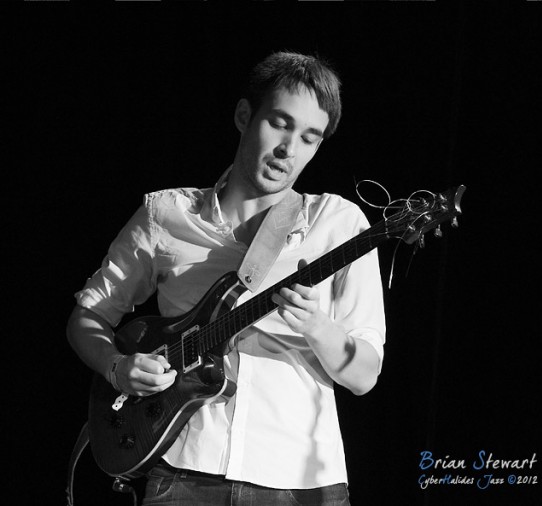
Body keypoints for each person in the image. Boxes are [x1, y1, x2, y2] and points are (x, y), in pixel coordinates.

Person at [67, 51, 386, 506]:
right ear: (243, 115)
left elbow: (364, 375)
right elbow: (88, 317)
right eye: (279, 124)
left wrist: (317, 325)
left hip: (300, 483)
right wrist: (116, 368)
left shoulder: (339, 224)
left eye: (309, 138)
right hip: (182, 474)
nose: (289, 149)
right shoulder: (166, 215)